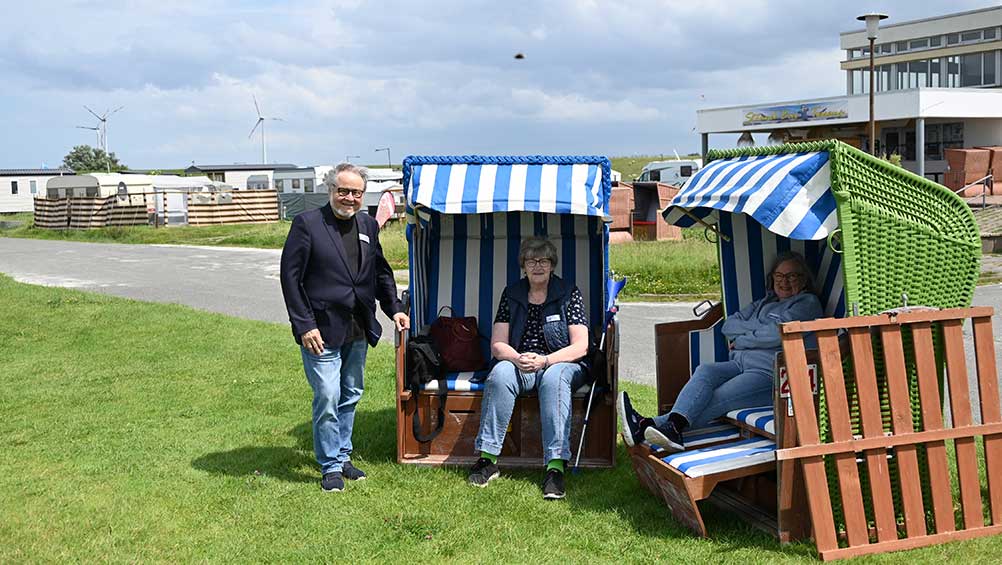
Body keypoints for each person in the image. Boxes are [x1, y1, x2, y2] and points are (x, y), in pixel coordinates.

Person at [280, 162, 409, 492]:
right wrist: (304, 324)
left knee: (350, 393)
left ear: (363, 195)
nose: (349, 198)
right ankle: (329, 466)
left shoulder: (368, 224)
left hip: (357, 327)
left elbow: (380, 273)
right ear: (330, 190)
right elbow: (290, 279)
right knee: (327, 394)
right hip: (320, 330)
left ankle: (342, 455)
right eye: (343, 191)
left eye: (356, 193)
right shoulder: (307, 224)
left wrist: (393, 308)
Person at [618, 251, 822, 452]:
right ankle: (665, 427)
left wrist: (742, 339)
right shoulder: (765, 302)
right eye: (780, 275)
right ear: (772, 278)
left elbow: (775, 334)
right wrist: (753, 333)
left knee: (718, 396)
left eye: (792, 276)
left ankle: (648, 425)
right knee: (705, 370)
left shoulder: (807, 303)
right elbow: (729, 325)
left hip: (769, 373)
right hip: (740, 363)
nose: (784, 281)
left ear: (804, 280)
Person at [468, 237, 590, 500]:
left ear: (552, 265)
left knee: (553, 379)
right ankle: (487, 460)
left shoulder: (568, 293)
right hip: (521, 362)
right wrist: (516, 358)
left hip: (561, 363)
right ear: (523, 265)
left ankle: (555, 468)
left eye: (543, 260)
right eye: (531, 260)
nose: (537, 266)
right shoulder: (512, 294)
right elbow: (498, 344)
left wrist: (545, 360)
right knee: (499, 373)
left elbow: (581, 346)